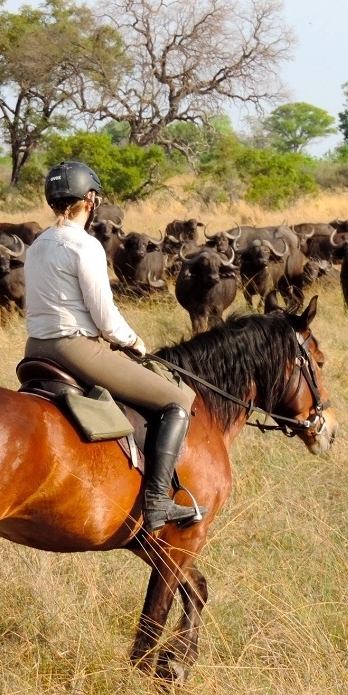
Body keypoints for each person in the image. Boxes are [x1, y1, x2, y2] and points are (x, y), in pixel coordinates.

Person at [24, 160, 205, 533]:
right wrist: (133, 341)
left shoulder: (38, 244)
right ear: (90, 199)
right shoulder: (84, 245)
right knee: (177, 401)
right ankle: (157, 502)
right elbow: (105, 318)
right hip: (74, 348)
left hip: (35, 349)